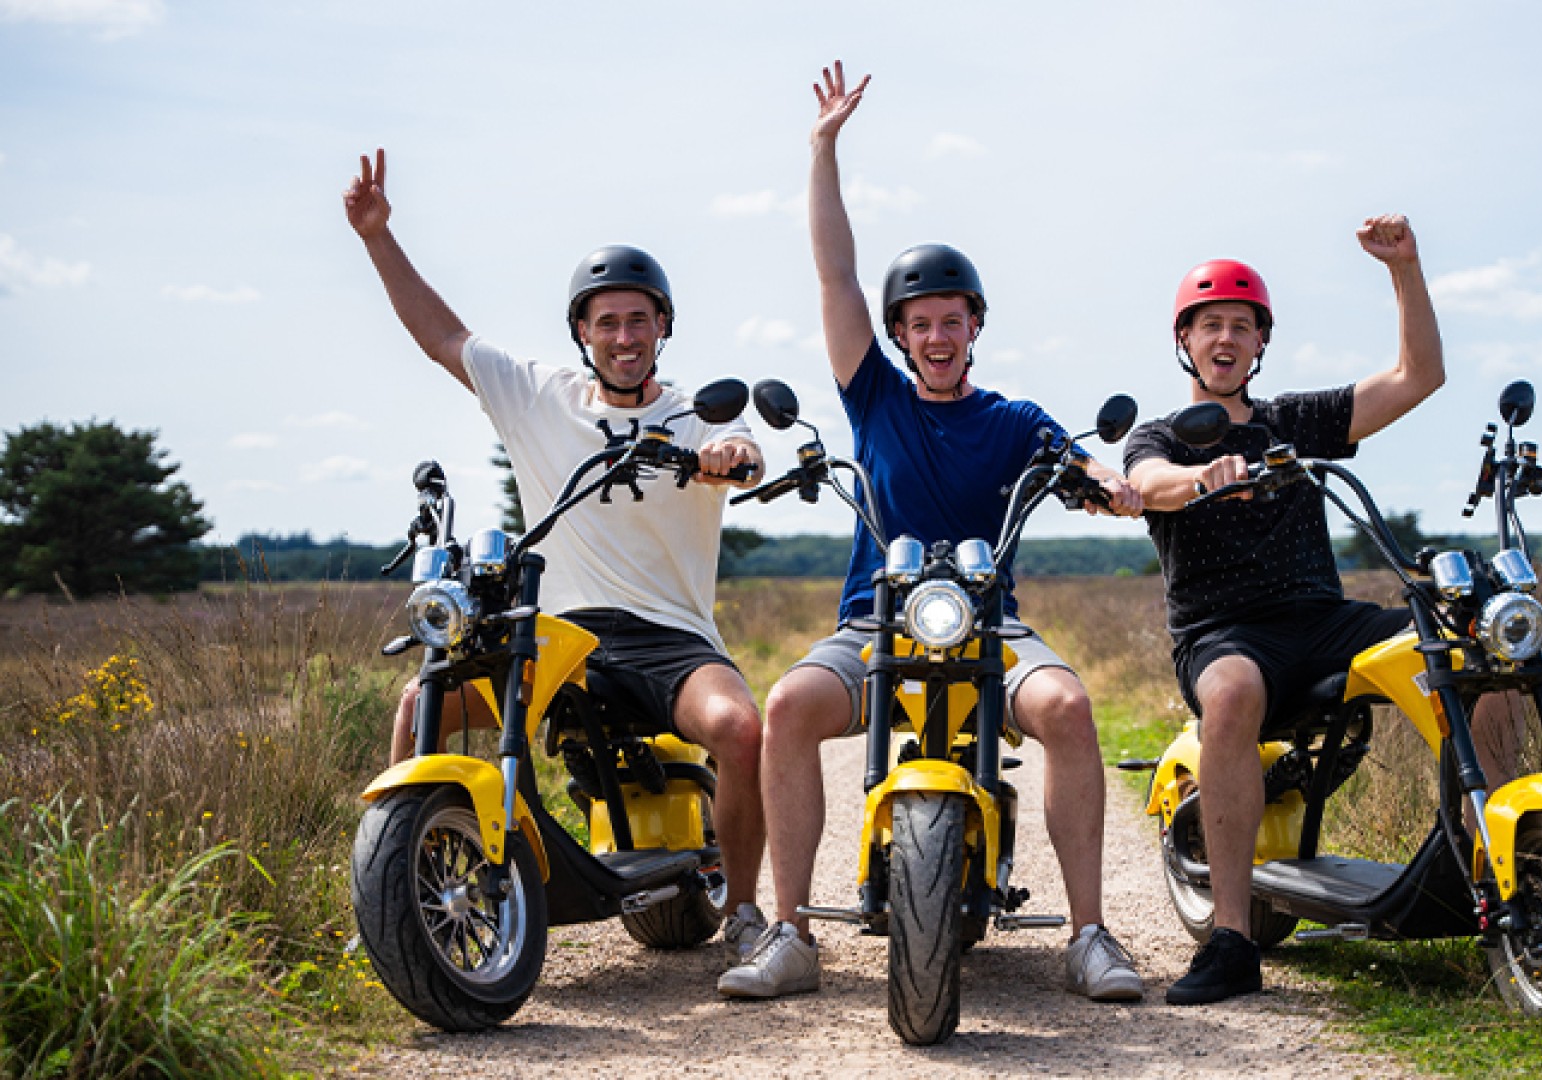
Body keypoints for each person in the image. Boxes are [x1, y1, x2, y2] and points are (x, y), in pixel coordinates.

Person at [717, 63, 1147, 1003]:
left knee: (1070, 711)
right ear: (901, 334)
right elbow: (835, 272)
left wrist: (1109, 484)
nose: (937, 336)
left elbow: (1080, 468)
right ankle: (790, 930)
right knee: (785, 708)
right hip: (874, 623)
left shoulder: (1017, 419)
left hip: (989, 629)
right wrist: (823, 149)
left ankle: (1089, 933)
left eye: (952, 320)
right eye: (919, 323)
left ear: (975, 325)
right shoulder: (873, 399)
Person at [342, 148, 771, 960]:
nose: (623, 336)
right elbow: (442, 335)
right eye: (606, 321)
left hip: (667, 638)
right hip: (557, 637)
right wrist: (376, 237)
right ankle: (398, 901)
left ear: (663, 328)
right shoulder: (538, 395)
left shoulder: (690, 416)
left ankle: (747, 913)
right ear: (582, 331)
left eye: (639, 320)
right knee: (416, 705)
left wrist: (733, 457)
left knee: (741, 728)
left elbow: (745, 447)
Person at [1123, 225, 1451, 1005]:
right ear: (1186, 342)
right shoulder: (1163, 434)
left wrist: (1405, 269)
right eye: (1211, 325)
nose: (1226, 337)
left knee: (1460, 643)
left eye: (1243, 324)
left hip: (1321, 618)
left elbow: (1418, 376)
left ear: (1260, 341)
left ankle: (1497, 864)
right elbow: (1152, 481)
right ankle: (1233, 940)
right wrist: (1205, 476)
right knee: (1232, 694)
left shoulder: (1294, 421)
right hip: (1223, 634)